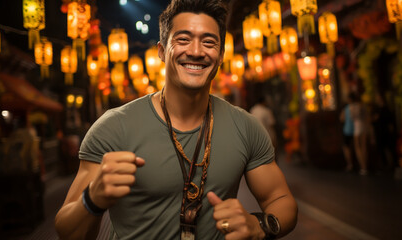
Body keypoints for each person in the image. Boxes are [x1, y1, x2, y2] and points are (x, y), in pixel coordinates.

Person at [55, 0, 298, 239]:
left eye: (209, 42)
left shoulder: (246, 126)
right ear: (161, 51)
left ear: (221, 54)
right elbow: (67, 230)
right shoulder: (114, 127)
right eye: (183, 40)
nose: (195, 51)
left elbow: (280, 199)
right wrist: (92, 199)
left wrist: (261, 226)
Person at [349, 92, 370, 175]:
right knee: (364, 147)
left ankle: (362, 166)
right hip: (364, 126)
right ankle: (365, 166)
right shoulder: (362, 105)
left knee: (358, 147)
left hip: (357, 127)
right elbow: (367, 116)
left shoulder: (352, 107)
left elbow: (352, 117)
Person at [339, 93, 355, 172]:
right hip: (356, 129)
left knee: (346, 147)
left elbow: (341, 118)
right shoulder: (358, 106)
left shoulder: (347, 108)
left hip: (348, 129)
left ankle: (350, 164)